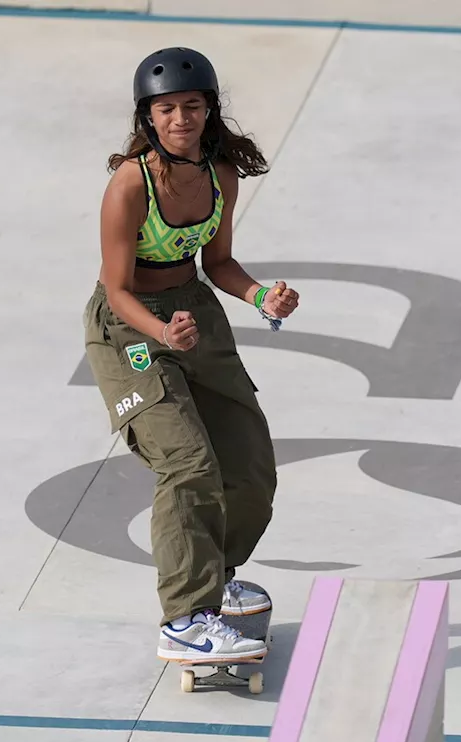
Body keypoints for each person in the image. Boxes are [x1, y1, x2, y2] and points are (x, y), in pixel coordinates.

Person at [82, 46, 300, 662]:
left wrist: (263, 296)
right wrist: (159, 332)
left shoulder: (219, 174)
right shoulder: (131, 183)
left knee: (249, 463)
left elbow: (219, 263)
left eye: (193, 106)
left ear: (210, 111)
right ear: (147, 118)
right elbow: (117, 289)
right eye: (167, 109)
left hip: (194, 311)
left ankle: (214, 577)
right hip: (128, 329)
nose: (181, 118)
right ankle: (186, 618)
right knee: (186, 463)